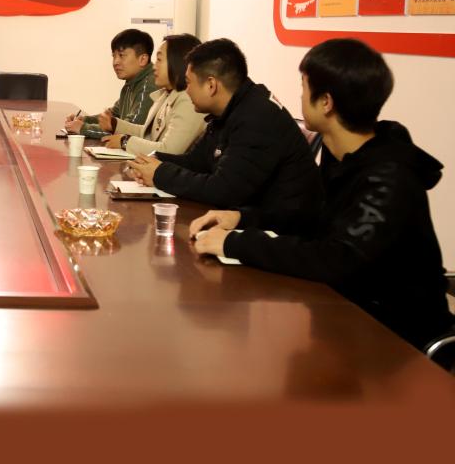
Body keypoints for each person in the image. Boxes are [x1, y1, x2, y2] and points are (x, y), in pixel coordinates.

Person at [191, 39, 453, 349]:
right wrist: (241, 218)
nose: (300, 97)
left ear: (326, 102)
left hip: (395, 339)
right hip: (344, 315)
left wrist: (235, 243)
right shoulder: (342, 154)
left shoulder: (389, 176)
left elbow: (336, 259)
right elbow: (311, 218)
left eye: (304, 88)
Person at [128, 38, 322, 227]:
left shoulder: (256, 116)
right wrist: (153, 161)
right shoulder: (231, 107)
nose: (186, 91)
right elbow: (197, 162)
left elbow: (223, 191)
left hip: (283, 230)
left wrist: (160, 173)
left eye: (189, 83)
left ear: (211, 85)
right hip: (251, 219)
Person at [101, 33, 206, 155]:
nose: (154, 66)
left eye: (159, 60)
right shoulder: (166, 94)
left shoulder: (188, 100)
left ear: (177, 63)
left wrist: (125, 142)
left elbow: (169, 150)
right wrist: (115, 124)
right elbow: (146, 132)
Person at [66, 28, 158, 138]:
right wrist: (84, 120)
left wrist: (83, 128)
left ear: (142, 59)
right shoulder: (132, 83)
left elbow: (128, 131)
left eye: (121, 55)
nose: (115, 62)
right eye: (114, 56)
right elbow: (113, 116)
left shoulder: (148, 85)